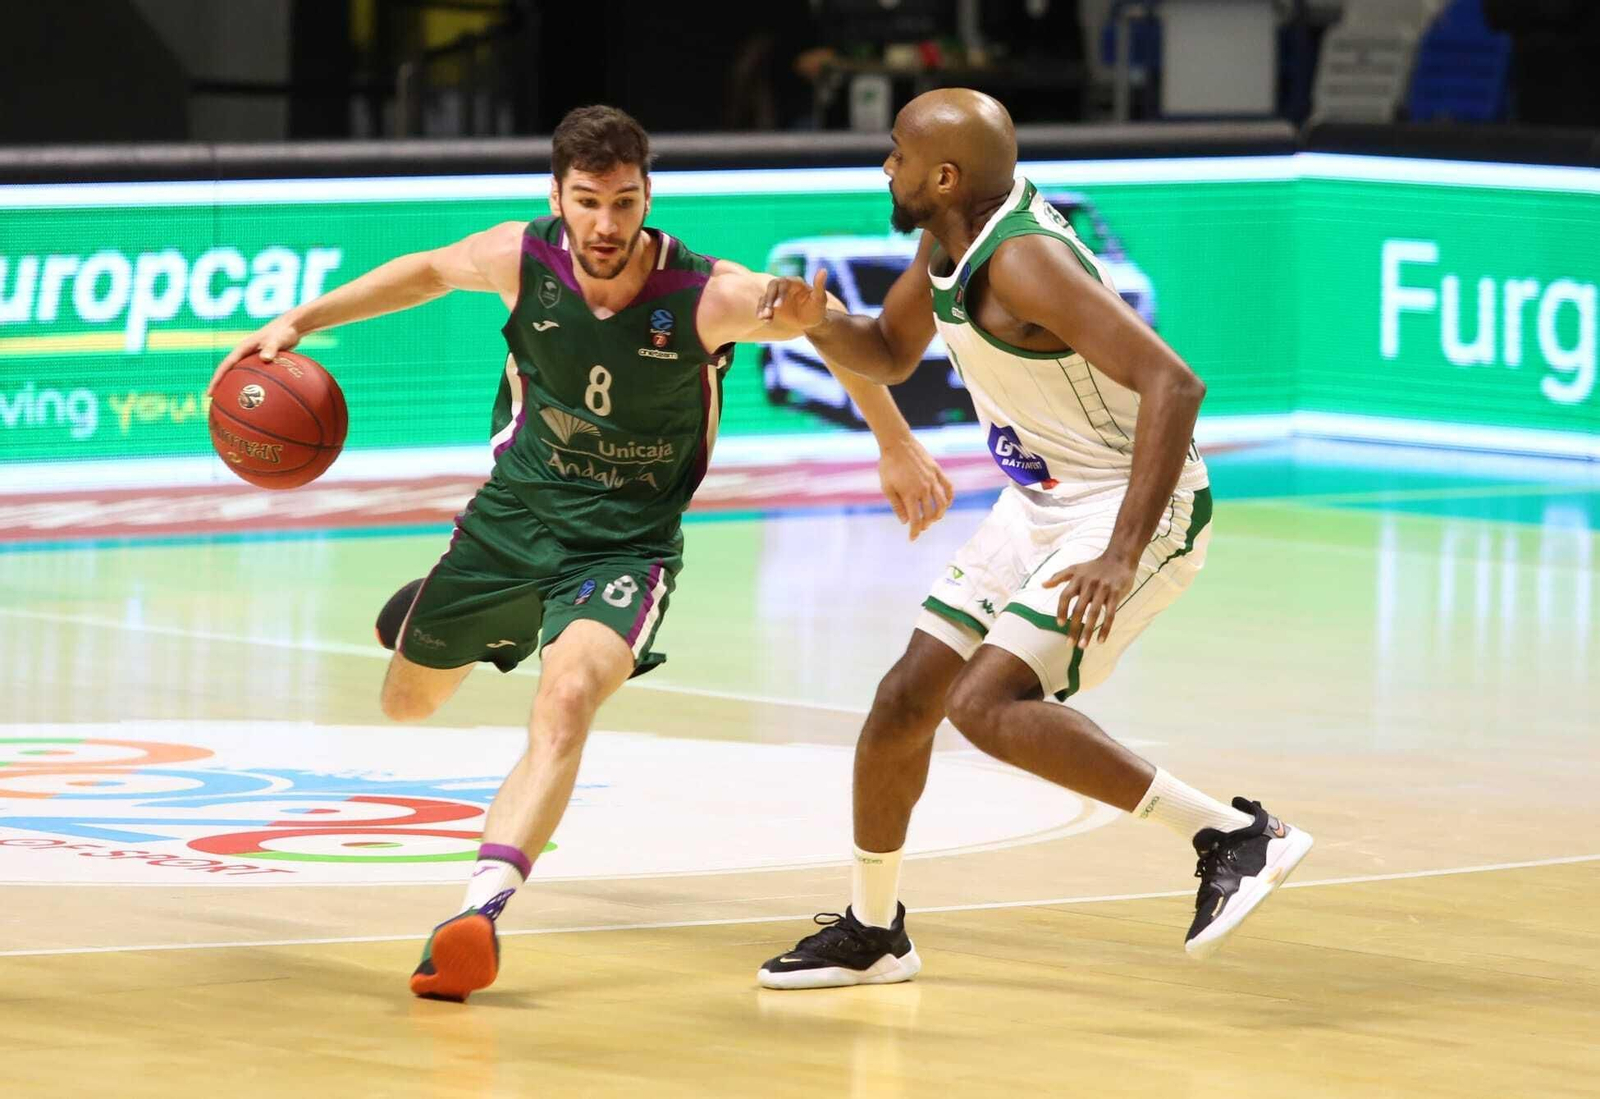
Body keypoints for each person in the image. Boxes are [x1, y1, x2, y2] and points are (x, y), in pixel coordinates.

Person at [209, 105, 955, 1002]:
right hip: (511, 519)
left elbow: (833, 334)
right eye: (590, 201)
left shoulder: (707, 293)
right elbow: (422, 273)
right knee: (406, 703)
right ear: (557, 195)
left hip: (625, 545)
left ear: (649, 197)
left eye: (626, 202)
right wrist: (301, 319)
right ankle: (471, 617)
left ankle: (476, 915)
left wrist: (894, 441)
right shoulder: (518, 259)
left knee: (565, 700)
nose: (607, 225)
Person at [755, 89, 1313, 989]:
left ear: (944, 175)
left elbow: (1175, 384)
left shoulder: (1023, 263)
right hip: (1043, 500)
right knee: (904, 701)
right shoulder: (946, 239)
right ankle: (873, 930)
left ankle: (1234, 835)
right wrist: (817, 320)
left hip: (1132, 504)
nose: (883, 165)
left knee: (986, 705)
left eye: (895, 151)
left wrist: (1123, 553)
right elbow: (893, 351)